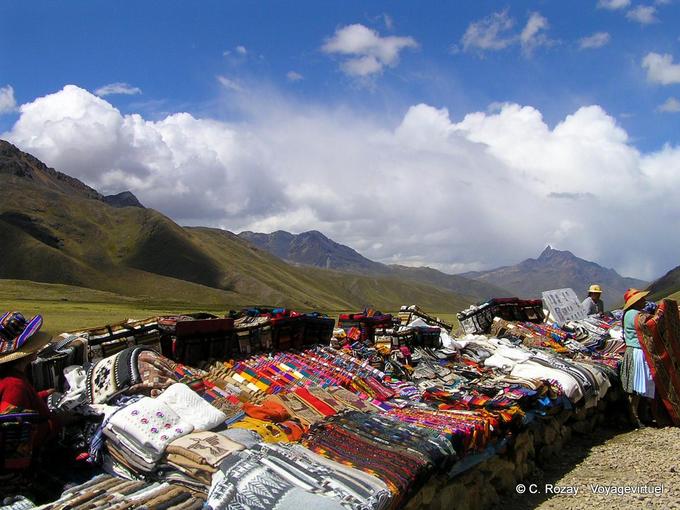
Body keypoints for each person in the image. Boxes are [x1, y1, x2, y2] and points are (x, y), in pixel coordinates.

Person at [0, 312, 59, 454]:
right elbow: (17, 436)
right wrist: (58, 422)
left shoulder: (11, 379)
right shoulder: (15, 385)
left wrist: (42, 395)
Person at [619, 289, 657, 428]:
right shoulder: (635, 314)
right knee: (637, 387)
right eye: (641, 300)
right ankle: (635, 417)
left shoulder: (629, 314)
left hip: (635, 350)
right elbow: (647, 326)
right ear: (635, 302)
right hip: (637, 351)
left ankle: (640, 415)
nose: (644, 301)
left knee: (640, 386)